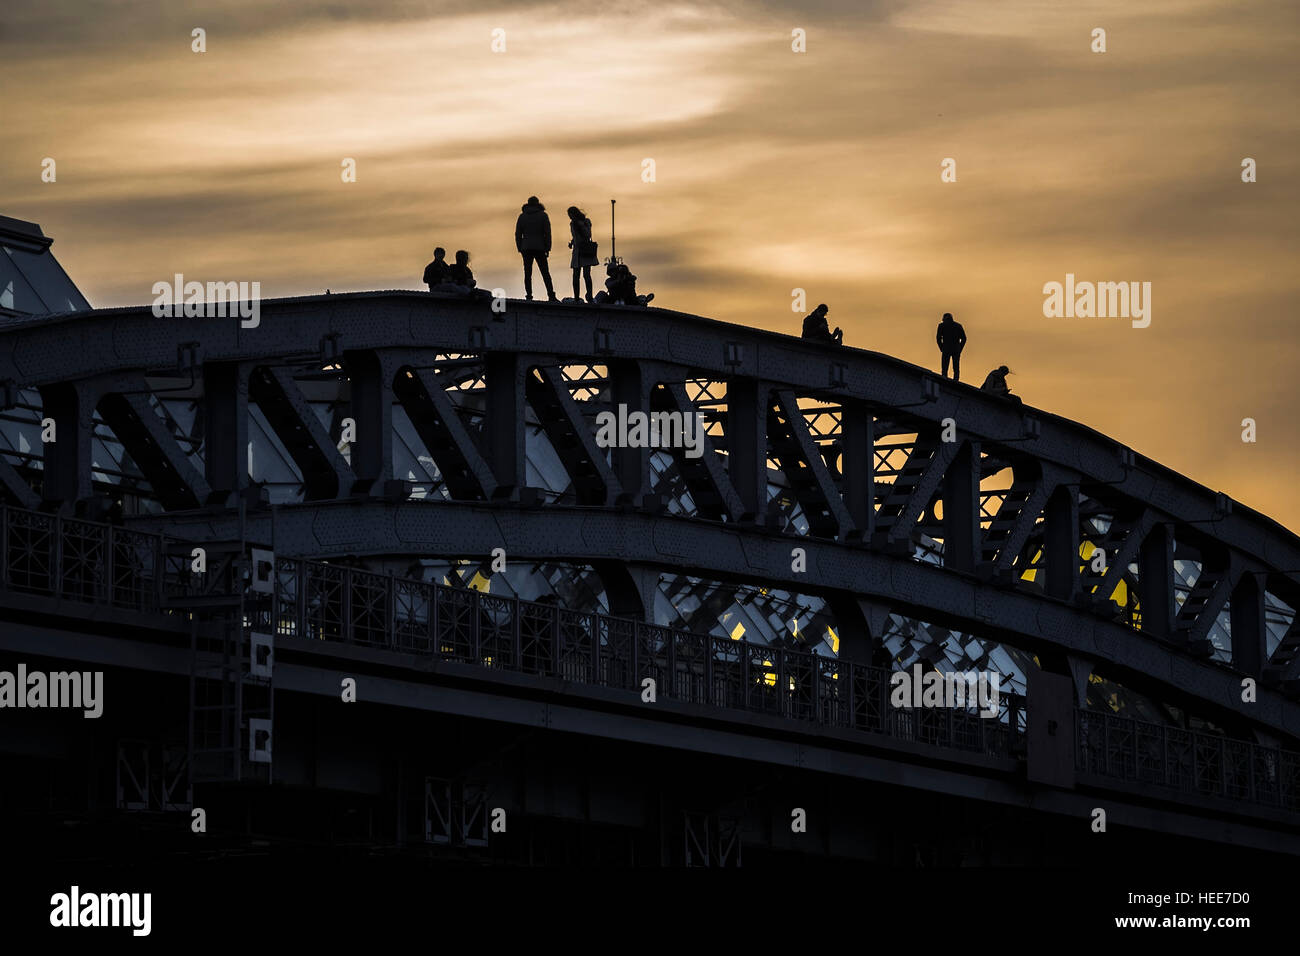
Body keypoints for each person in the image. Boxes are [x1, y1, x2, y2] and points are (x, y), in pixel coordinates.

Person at [515, 196, 557, 302]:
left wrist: (520, 247)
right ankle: (551, 295)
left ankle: (529, 295)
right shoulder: (543, 215)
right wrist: (548, 247)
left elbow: (518, 234)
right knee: (545, 272)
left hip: (526, 247)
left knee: (527, 273)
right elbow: (547, 233)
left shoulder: (522, 216)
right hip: (540, 247)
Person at [567, 206, 599, 303]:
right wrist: (572, 242)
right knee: (575, 276)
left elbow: (588, 234)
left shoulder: (585, 222)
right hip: (577, 251)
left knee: (586, 275)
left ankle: (589, 297)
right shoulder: (572, 223)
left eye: (571, 215)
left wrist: (580, 225)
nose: (570, 217)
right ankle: (576, 297)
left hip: (585, 251)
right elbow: (575, 236)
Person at [936, 312, 966, 381]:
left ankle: (945, 380)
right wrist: (959, 348)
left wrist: (941, 347)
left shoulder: (942, 326)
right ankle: (956, 381)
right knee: (956, 367)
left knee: (945, 367)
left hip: (947, 349)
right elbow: (964, 338)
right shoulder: (958, 326)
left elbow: (938, 338)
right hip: (955, 349)